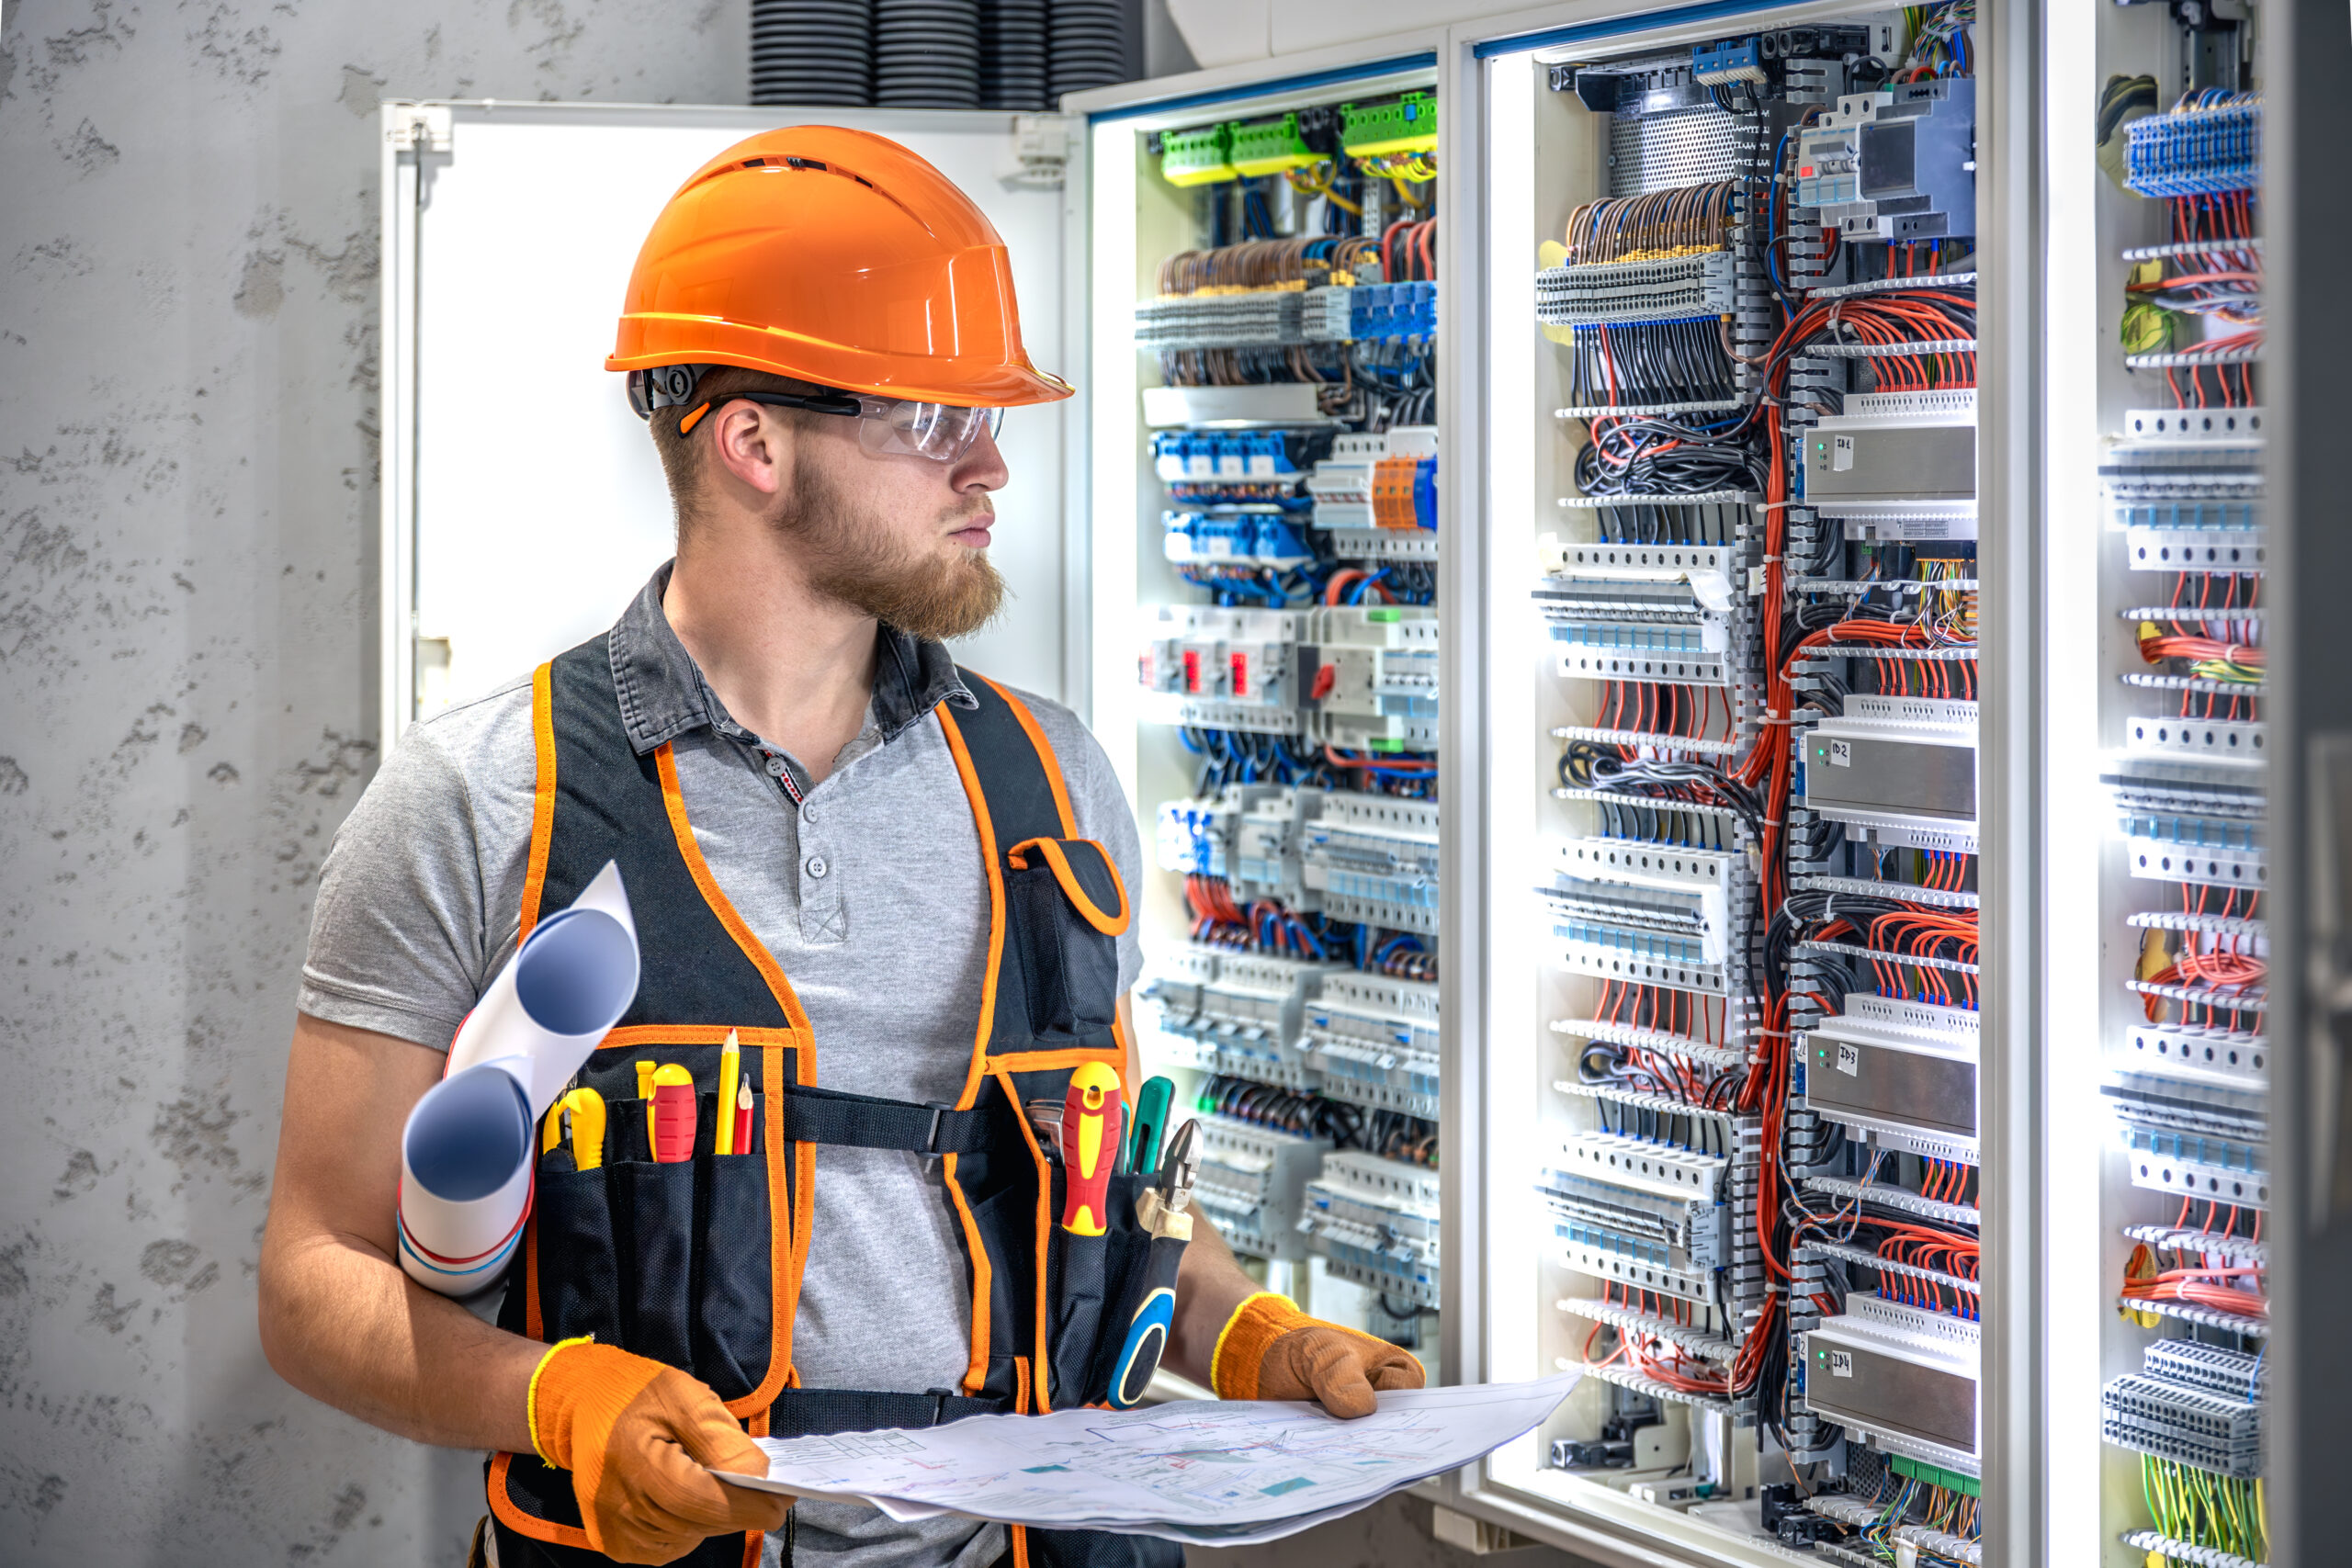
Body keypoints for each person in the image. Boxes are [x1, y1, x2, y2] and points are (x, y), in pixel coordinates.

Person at [256, 126, 1422, 1568]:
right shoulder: (484, 801)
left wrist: (1251, 1336)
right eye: (938, 420)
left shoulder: (1052, 784)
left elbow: (1104, 1190)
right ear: (753, 442)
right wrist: (555, 1396)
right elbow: (315, 1280)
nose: (993, 465)